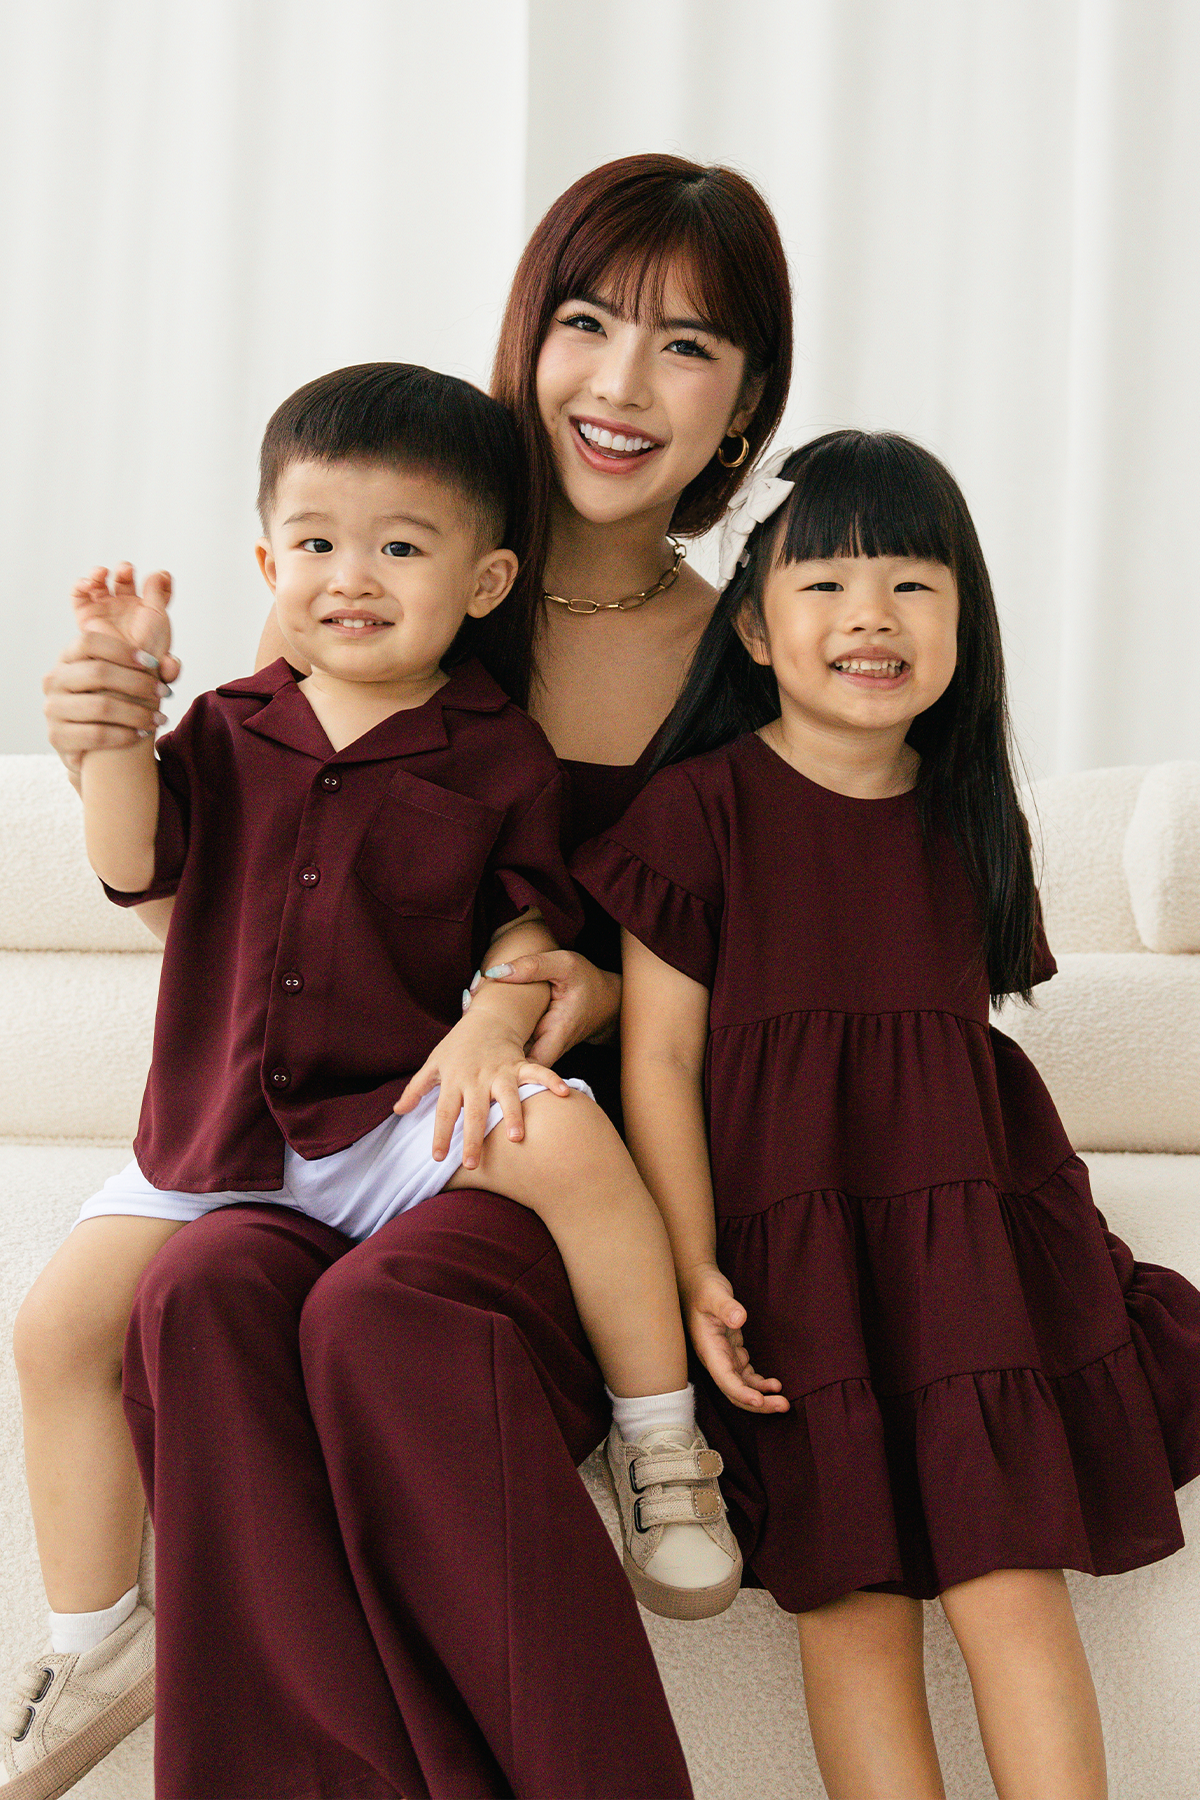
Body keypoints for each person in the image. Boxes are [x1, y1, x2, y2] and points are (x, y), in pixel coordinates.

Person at [32, 155, 793, 1799]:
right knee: (198, 1295)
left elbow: (779, 966)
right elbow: (234, 912)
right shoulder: (367, 594)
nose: (620, 381)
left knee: (386, 1320)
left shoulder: (752, 659)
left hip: (581, 1148)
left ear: (742, 408)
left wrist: (574, 991)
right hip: (335, 1109)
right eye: (587, 323)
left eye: (685, 345)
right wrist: (105, 742)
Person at [574, 429, 1200, 1800]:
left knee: (1009, 1579)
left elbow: (960, 1061)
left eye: (914, 583)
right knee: (850, 1602)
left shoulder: (970, 815)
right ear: (753, 629)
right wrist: (690, 1265)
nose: (872, 615)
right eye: (826, 584)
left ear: (965, 623)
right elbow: (662, 1062)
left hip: (969, 1253)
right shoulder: (698, 811)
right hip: (794, 1256)